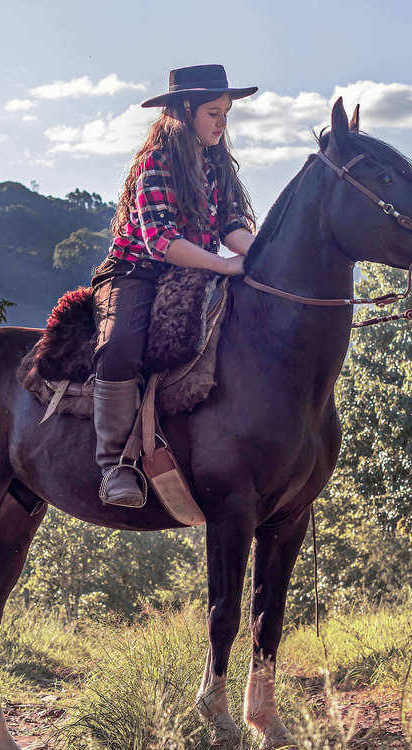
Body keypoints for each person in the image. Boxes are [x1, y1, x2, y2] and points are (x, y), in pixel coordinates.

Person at [91, 64, 258, 508]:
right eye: (213, 113)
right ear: (186, 110)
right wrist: (225, 268)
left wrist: (261, 258)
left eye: (225, 113)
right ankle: (114, 465)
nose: (222, 123)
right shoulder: (156, 162)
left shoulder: (216, 161)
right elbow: (162, 241)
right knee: (120, 343)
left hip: (196, 269)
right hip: (136, 272)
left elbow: (231, 225)